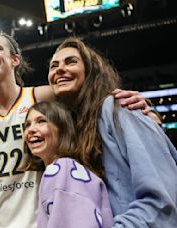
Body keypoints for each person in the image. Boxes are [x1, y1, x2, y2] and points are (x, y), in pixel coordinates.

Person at [0, 33, 148, 228]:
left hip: (39, 218)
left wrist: (128, 103)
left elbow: (90, 94)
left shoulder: (41, 96)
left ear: (15, 59)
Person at [47, 37, 177, 227]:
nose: (59, 69)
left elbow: (162, 202)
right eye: (53, 66)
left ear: (91, 72)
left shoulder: (117, 107)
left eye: (71, 61)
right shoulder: (73, 132)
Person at [23, 101, 113, 228]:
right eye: (27, 125)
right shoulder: (68, 169)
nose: (31, 129)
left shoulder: (62, 170)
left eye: (41, 121)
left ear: (62, 129)